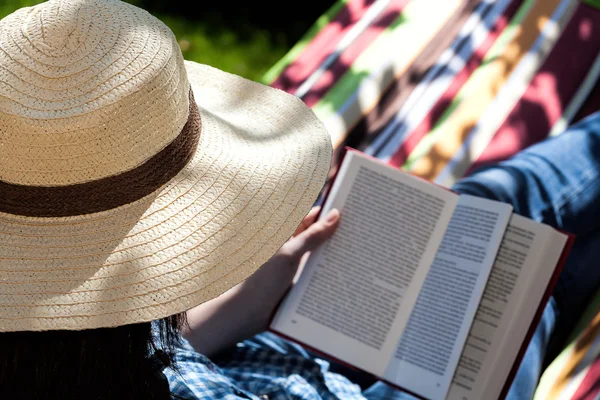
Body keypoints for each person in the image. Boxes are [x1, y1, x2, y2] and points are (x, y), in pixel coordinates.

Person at [1, 1, 599, 399]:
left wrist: (237, 309)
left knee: (496, 222)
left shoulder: (69, 356)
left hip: (262, 343)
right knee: (510, 249)